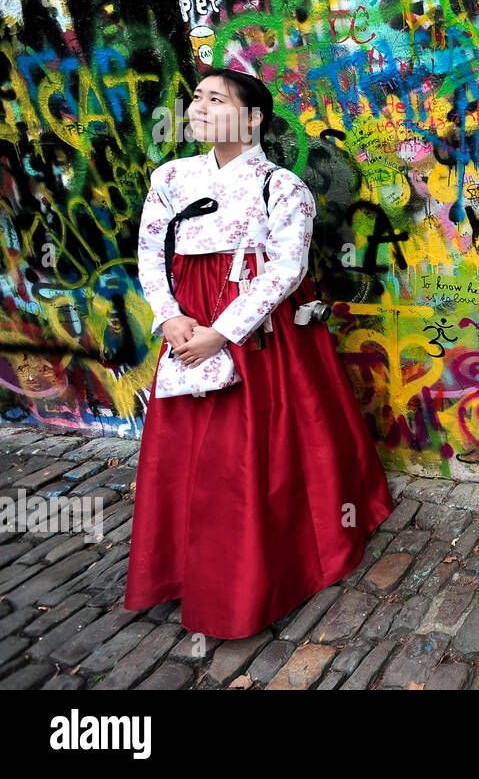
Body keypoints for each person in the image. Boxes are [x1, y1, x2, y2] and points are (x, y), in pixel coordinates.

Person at [125, 67, 395, 640]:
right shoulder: (169, 179)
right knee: (187, 452)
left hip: (257, 330)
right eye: (195, 97)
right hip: (187, 320)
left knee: (252, 451)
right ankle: (181, 565)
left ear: (251, 119)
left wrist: (222, 334)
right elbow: (151, 254)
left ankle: (259, 571)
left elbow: (287, 269)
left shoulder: (283, 187)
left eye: (215, 99)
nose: (198, 106)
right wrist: (170, 317)